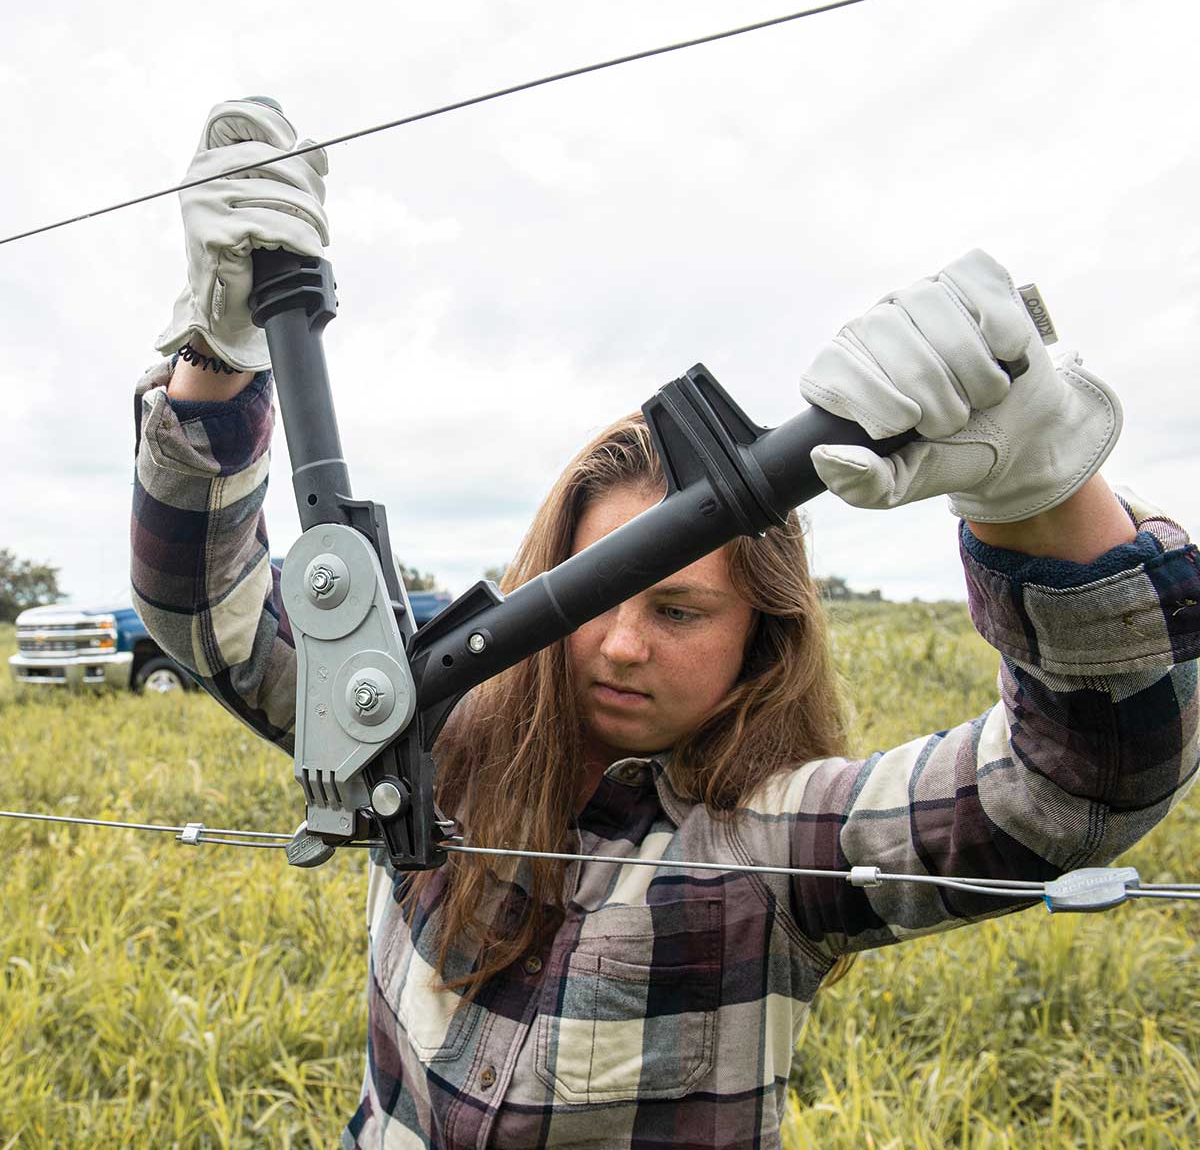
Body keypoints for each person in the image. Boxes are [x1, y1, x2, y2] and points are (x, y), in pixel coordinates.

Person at [132, 100, 1199, 1150]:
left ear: (759, 636)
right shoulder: (434, 733)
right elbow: (207, 612)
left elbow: (1071, 789)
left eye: (679, 609)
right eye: (590, 599)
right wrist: (222, 348)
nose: (621, 644)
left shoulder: (774, 840)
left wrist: (1038, 485)